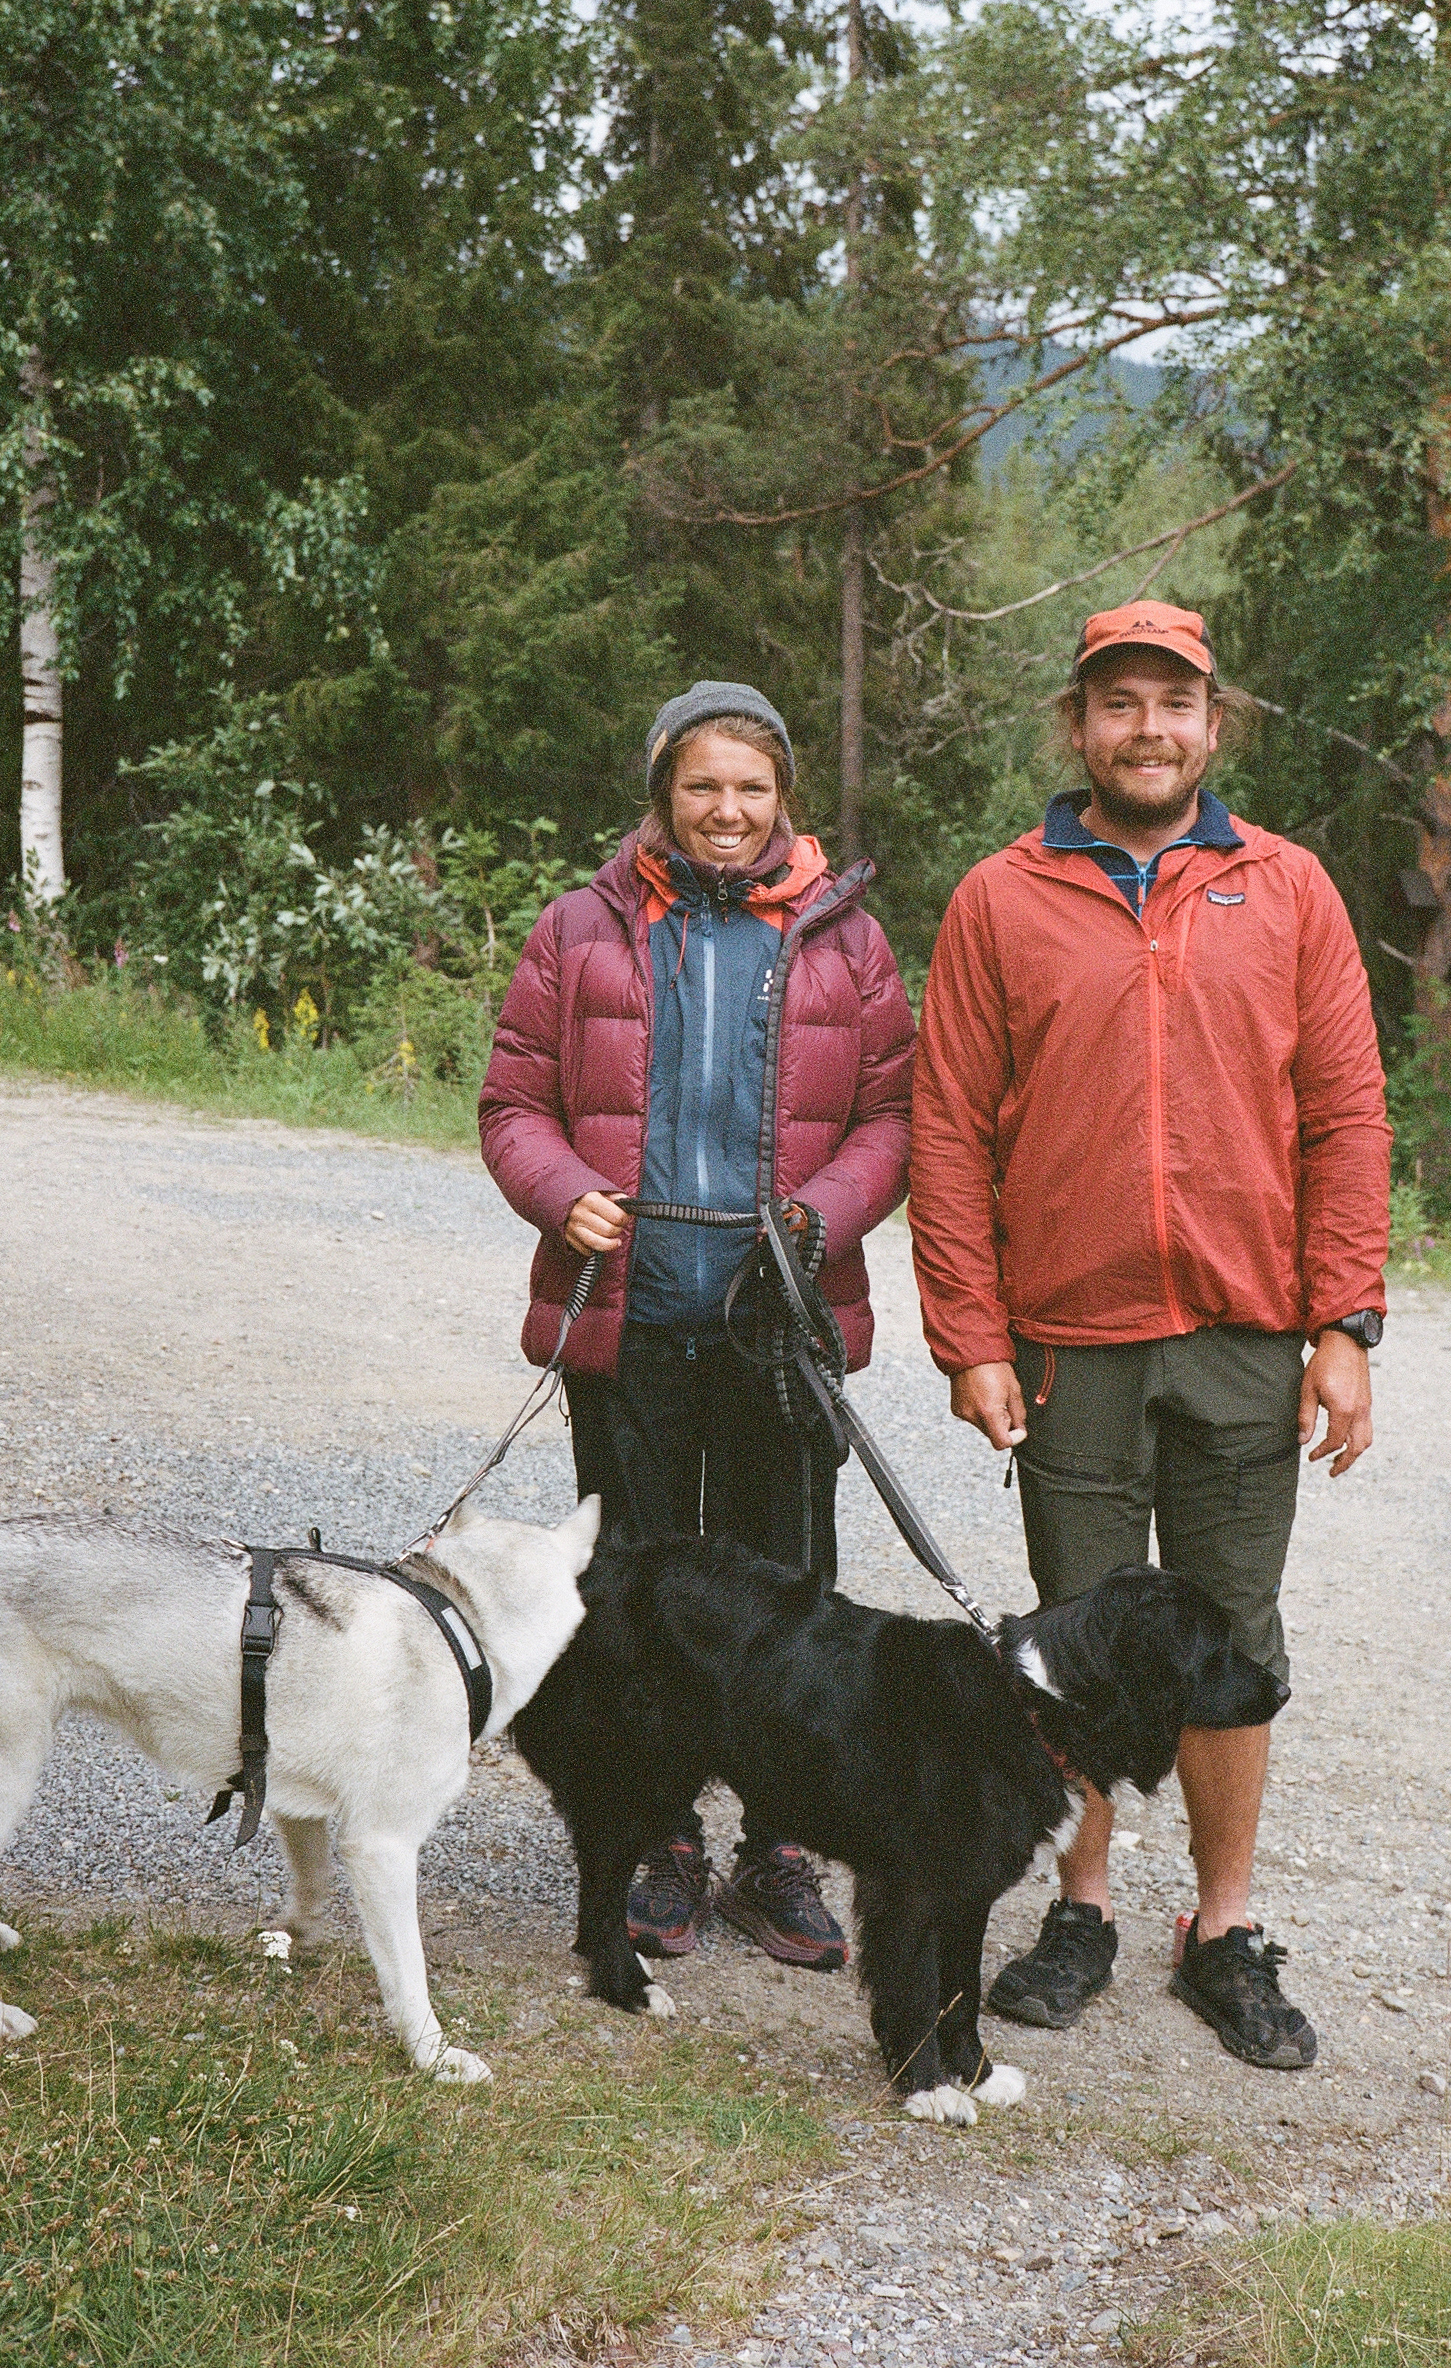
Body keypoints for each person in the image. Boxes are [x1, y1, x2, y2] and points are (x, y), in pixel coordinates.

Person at [907, 598, 1390, 2070]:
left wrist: (1346, 1321)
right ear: (1077, 726)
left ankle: (1224, 1930)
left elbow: (1348, 1116)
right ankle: (1087, 1906)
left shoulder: (1289, 889)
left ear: (1212, 724)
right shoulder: (1000, 899)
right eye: (1118, 703)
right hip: (1071, 1342)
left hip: (1246, 1336)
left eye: (1172, 704)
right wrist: (969, 1336)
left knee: (1234, 1635)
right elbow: (946, 1131)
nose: (1147, 729)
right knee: (1075, 1638)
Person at [480, 680, 915, 1971]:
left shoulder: (848, 942)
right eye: (701, 788)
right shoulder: (581, 932)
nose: (727, 813)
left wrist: (820, 1218)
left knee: (790, 1601)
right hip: (631, 1326)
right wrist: (565, 1197)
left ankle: (780, 1846)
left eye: (751, 789)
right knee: (643, 1600)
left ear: (786, 801)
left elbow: (892, 1124)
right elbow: (513, 1106)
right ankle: (659, 1839)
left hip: (781, 1335)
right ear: (662, 797)